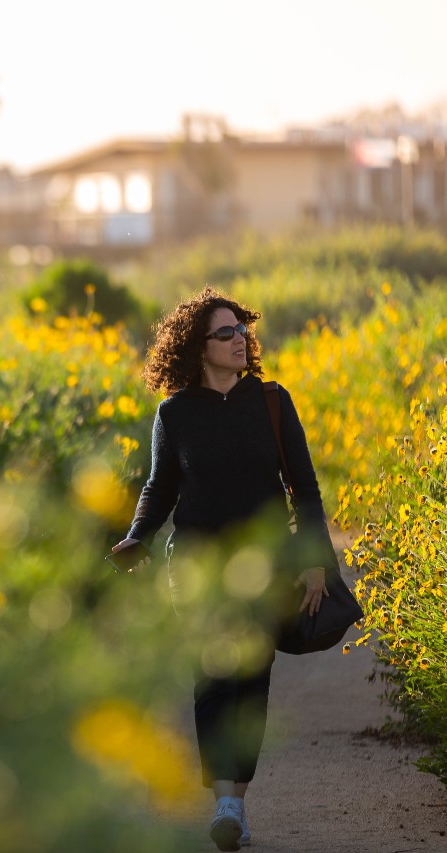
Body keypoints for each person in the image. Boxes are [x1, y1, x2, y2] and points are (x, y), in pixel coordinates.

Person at [111, 288, 330, 852]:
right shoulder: (175, 413)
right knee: (213, 676)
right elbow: (160, 487)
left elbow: (303, 490)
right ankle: (225, 802)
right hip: (198, 565)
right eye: (225, 333)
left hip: (264, 567)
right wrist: (138, 535)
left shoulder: (273, 403)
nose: (240, 340)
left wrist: (312, 565)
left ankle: (238, 799)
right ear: (198, 347)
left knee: (250, 681)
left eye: (242, 331)